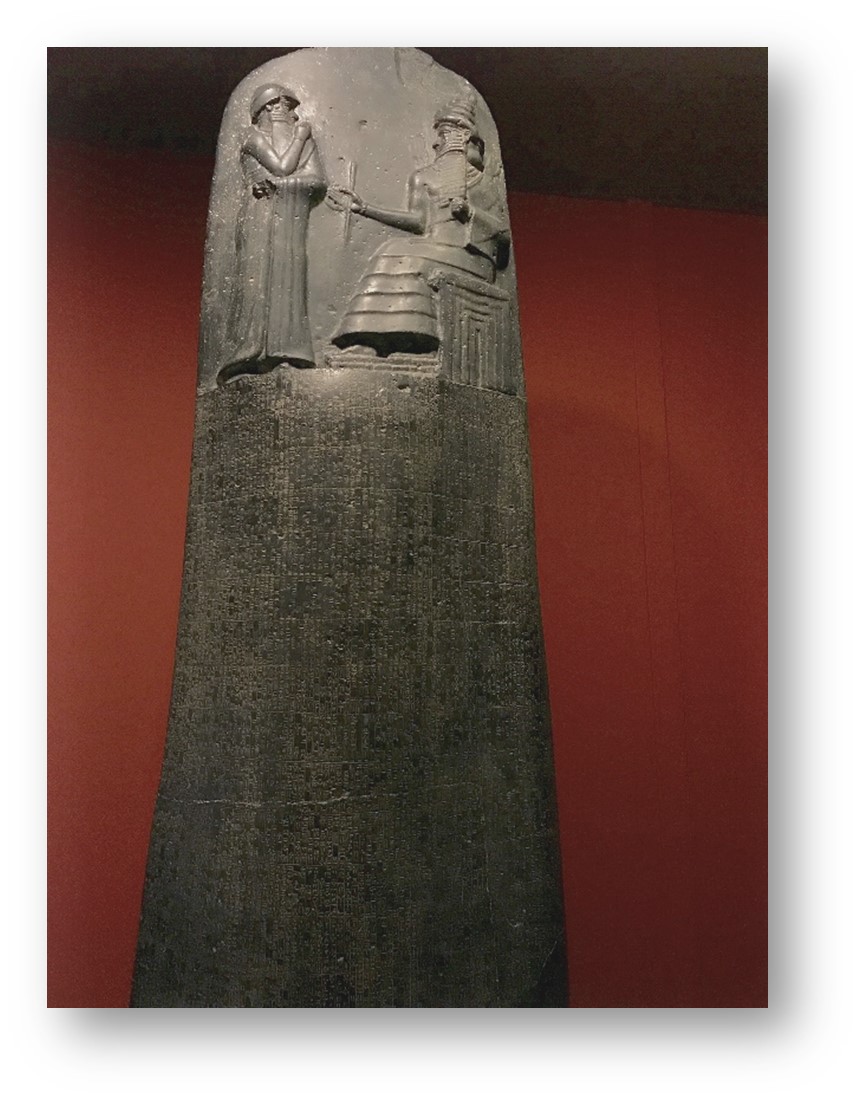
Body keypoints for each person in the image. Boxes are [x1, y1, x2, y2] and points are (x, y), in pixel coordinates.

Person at [331, 98, 511, 357]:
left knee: (410, 258)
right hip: (435, 245)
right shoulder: (423, 177)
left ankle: (416, 341)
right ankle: (371, 339)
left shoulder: (482, 182)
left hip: (471, 256)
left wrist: (470, 213)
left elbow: (502, 235)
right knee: (390, 249)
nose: (437, 143)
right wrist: (365, 208)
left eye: (444, 135)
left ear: (462, 137)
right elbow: (417, 221)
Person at [220, 85, 326, 383]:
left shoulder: (304, 141)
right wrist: (301, 138)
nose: (293, 115)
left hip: (290, 219)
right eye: (285, 107)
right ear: (267, 108)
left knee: (289, 283)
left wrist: (287, 185)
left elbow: (317, 180)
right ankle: (249, 353)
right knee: (257, 283)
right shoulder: (254, 137)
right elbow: (281, 167)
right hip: (260, 218)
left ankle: (288, 351)